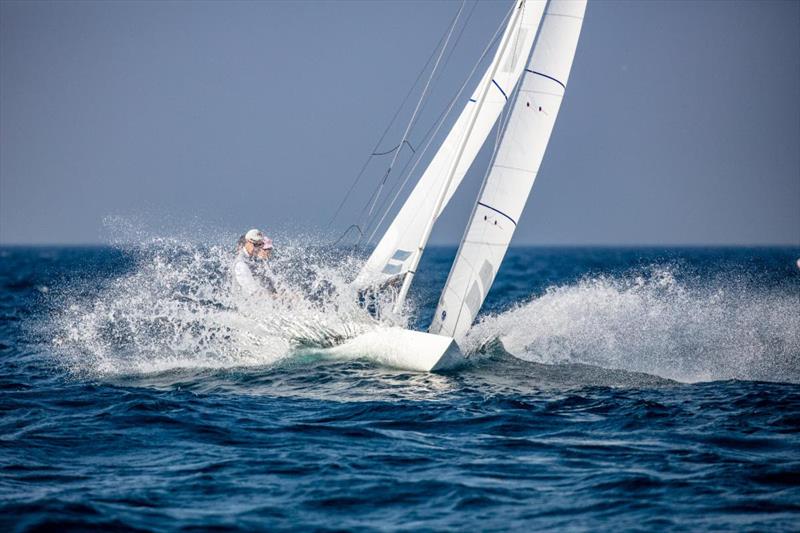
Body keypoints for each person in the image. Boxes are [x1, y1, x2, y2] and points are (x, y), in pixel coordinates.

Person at [233, 228, 276, 298]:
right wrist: (278, 297)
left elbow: (272, 281)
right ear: (247, 242)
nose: (258, 248)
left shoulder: (256, 260)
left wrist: (288, 294)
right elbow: (254, 292)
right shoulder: (240, 264)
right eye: (256, 245)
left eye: (261, 245)